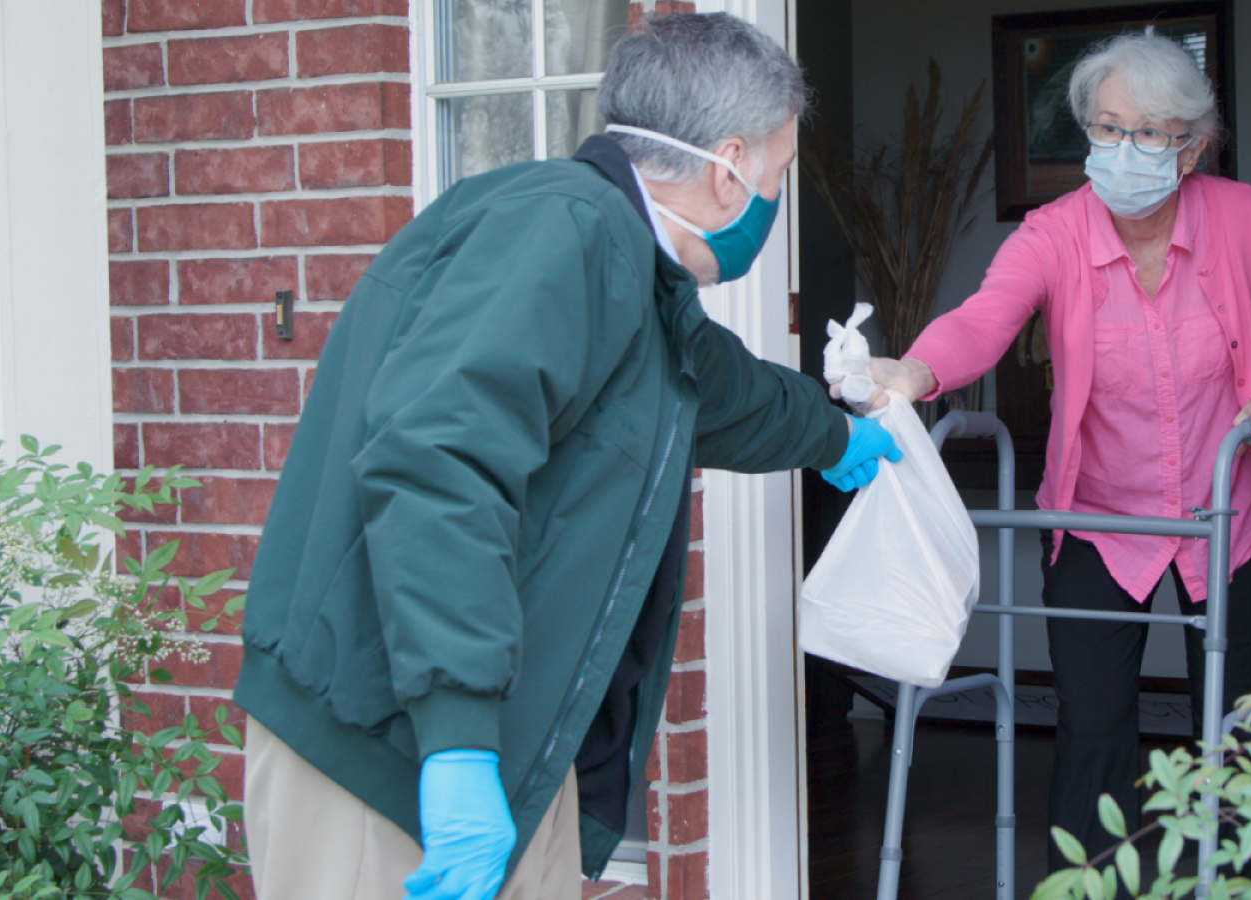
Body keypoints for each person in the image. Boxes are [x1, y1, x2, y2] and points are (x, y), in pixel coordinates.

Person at [233, 14, 900, 900]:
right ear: (726, 166)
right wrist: (460, 738)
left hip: (495, 733)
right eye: (776, 177)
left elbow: (718, 389)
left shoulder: (627, 265)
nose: (773, 202)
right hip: (393, 743)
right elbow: (438, 462)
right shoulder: (562, 232)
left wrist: (836, 432)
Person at [837, 31, 1251, 871]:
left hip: (1232, 514)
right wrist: (915, 369)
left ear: (1192, 145)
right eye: (1107, 130)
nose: (1123, 151)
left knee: (1245, 725)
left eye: (1147, 133)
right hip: (1100, 518)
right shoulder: (1056, 232)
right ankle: (1093, 888)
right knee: (1094, 732)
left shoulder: (1247, 220)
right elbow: (987, 318)